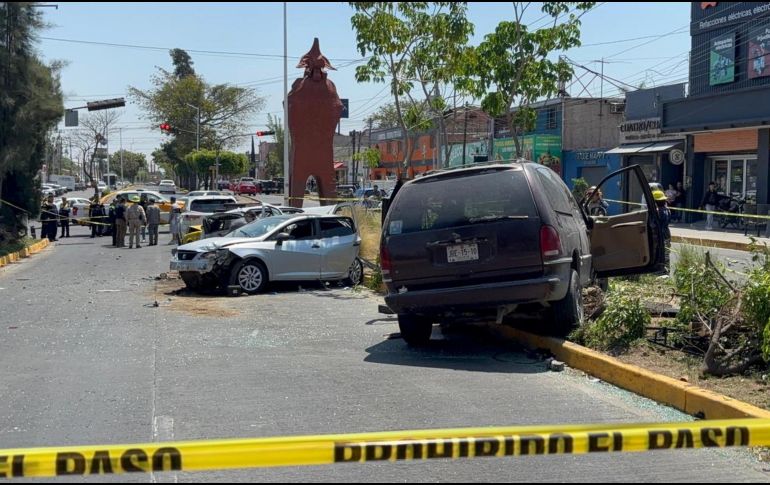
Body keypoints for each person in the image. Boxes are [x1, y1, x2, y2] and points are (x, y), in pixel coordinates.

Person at [653, 190, 672, 272]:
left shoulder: (658, 212)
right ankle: (667, 269)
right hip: (667, 233)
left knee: (660, 252)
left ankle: (662, 270)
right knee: (666, 252)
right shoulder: (667, 210)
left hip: (660, 234)